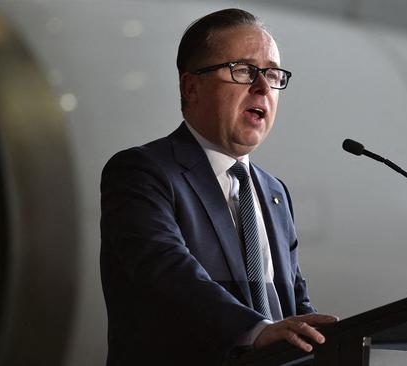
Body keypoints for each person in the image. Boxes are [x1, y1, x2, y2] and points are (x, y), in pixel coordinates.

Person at [100, 8, 337, 366]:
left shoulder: (274, 193)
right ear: (191, 86)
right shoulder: (143, 172)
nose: (263, 87)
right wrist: (257, 331)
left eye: (272, 74)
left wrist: (332, 341)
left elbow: (294, 307)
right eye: (243, 70)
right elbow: (168, 274)